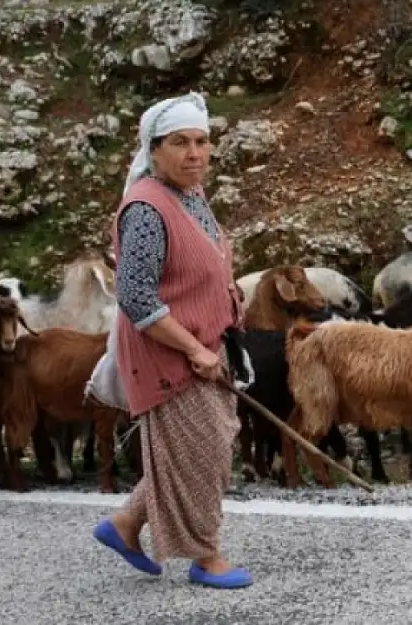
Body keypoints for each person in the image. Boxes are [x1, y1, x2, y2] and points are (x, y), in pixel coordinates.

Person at [90, 92, 252, 590]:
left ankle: (124, 525)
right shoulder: (145, 209)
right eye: (179, 142)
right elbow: (136, 297)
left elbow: (198, 264)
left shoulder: (191, 195)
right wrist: (195, 349)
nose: (194, 153)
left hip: (206, 340)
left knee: (206, 444)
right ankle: (207, 555)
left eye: (202, 142)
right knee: (205, 452)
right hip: (170, 352)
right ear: (153, 149)